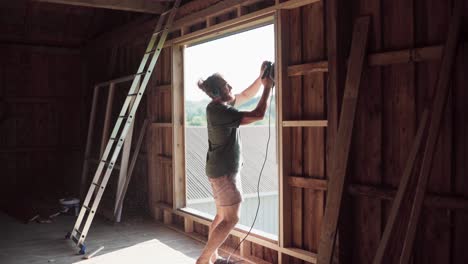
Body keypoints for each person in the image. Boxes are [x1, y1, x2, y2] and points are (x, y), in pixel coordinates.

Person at [195, 61, 274, 264]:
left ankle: (212, 257)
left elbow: (246, 95)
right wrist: (267, 88)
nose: (231, 87)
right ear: (216, 93)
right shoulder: (220, 111)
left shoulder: (218, 106)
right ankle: (203, 260)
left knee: (222, 216)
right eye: (226, 86)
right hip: (223, 173)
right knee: (232, 218)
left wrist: (261, 77)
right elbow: (258, 114)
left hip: (221, 170)